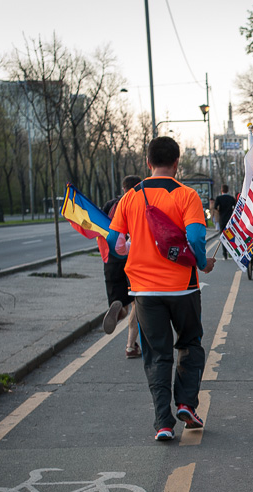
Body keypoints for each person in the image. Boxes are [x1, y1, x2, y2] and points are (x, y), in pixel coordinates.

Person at [107, 136, 217, 442]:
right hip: (183, 288)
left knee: (156, 355)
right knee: (190, 344)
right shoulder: (187, 195)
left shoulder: (130, 198)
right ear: (177, 163)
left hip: (144, 290)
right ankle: (186, 404)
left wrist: (133, 249)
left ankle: (163, 423)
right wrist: (201, 263)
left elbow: (114, 244)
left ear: (147, 163)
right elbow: (195, 238)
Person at [100, 175, 143, 358]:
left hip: (110, 260)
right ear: (138, 188)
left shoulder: (110, 205)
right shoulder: (138, 203)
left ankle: (118, 309)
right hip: (131, 258)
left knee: (121, 302)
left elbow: (101, 230)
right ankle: (130, 346)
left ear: (123, 188)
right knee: (137, 304)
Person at [214, 184, 235, 260]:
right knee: (230, 236)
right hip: (229, 220)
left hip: (222, 220)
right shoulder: (231, 198)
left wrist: (220, 211)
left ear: (221, 190)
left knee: (223, 237)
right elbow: (235, 207)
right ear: (228, 190)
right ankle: (231, 253)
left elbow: (215, 207)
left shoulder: (219, 198)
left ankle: (224, 254)